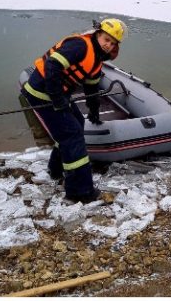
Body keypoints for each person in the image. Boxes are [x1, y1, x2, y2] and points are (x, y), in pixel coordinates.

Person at [21, 18, 127, 203]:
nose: (108, 45)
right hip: (41, 93)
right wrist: (58, 100)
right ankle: (80, 191)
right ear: (97, 34)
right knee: (72, 135)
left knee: (77, 123)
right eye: (106, 40)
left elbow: (92, 87)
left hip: (56, 94)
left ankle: (56, 170)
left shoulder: (97, 59)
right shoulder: (80, 46)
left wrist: (94, 110)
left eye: (112, 43)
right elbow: (52, 66)